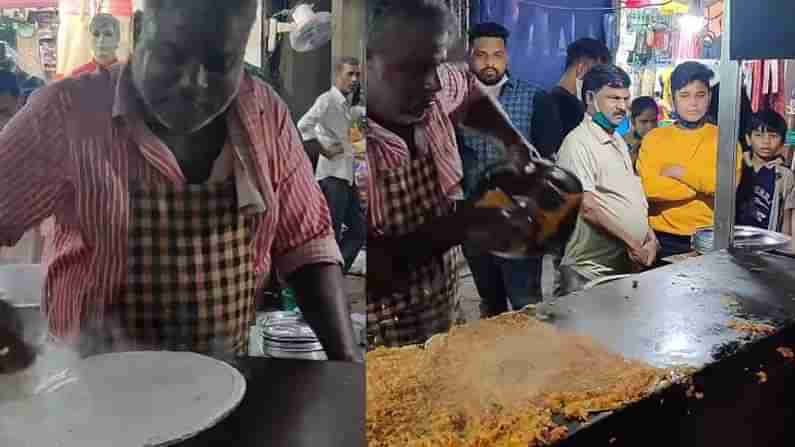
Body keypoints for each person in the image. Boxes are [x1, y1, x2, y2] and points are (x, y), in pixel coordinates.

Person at [0, 0, 359, 362]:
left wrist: (346, 363)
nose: (193, 83)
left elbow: (307, 247)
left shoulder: (267, 114)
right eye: (171, 55)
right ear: (139, 31)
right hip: (88, 393)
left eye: (220, 64)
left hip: (225, 387)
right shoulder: (66, 112)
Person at [365, 0, 583, 347]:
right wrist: (468, 224)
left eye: (435, 65)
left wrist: (513, 143)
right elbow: (377, 264)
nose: (434, 84)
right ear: (369, 62)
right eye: (416, 69)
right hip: (387, 332)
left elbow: (468, 92)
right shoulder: (361, 149)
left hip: (443, 308)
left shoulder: (436, 87)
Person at [456, 22, 544, 317]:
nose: (489, 62)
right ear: (471, 57)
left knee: (526, 305)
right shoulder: (455, 102)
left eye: (497, 55)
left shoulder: (532, 98)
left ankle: (531, 361)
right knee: (490, 304)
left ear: (507, 57)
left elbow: (546, 158)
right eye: (481, 55)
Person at [556, 65, 658, 295]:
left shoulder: (618, 141)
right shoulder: (577, 144)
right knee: (582, 330)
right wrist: (634, 244)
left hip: (620, 268)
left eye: (625, 98)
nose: (622, 106)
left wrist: (650, 238)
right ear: (590, 98)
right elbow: (588, 208)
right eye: (613, 98)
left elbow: (630, 195)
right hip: (588, 272)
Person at [637, 61, 743, 260]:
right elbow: (647, 188)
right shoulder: (654, 139)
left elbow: (725, 187)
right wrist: (703, 187)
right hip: (661, 241)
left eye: (700, 95)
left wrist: (680, 173)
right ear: (673, 98)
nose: (693, 103)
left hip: (710, 239)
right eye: (684, 95)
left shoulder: (725, 139)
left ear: (709, 97)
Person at [297, 57, 366, 274]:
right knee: (332, 232)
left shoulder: (347, 107)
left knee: (360, 229)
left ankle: (337, 272)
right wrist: (323, 149)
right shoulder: (327, 100)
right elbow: (303, 125)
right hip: (332, 178)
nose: (354, 79)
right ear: (338, 75)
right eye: (349, 74)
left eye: (357, 74)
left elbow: (355, 142)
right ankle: (329, 278)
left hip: (347, 178)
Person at [533, 38, 610, 160]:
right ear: (581, 67)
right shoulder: (553, 104)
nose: (600, 83)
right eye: (597, 75)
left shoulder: (578, 104)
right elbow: (550, 155)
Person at [736, 110, 795, 235]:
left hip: (766, 244)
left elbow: (787, 216)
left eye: (773, 136)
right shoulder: (737, 167)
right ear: (748, 139)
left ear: (782, 142)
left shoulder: (784, 176)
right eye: (758, 135)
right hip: (734, 240)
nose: (766, 142)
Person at [66, 14, 122, 78]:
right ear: (89, 38)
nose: (101, 40)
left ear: (117, 38)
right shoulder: (77, 76)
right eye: (96, 34)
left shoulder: (127, 75)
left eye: (108, 34)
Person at [623, 96, 659, 166]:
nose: (650, 126)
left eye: (654, 120)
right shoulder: (623, 144)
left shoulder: (665, 141)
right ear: (633, 121)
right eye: (644, 121)